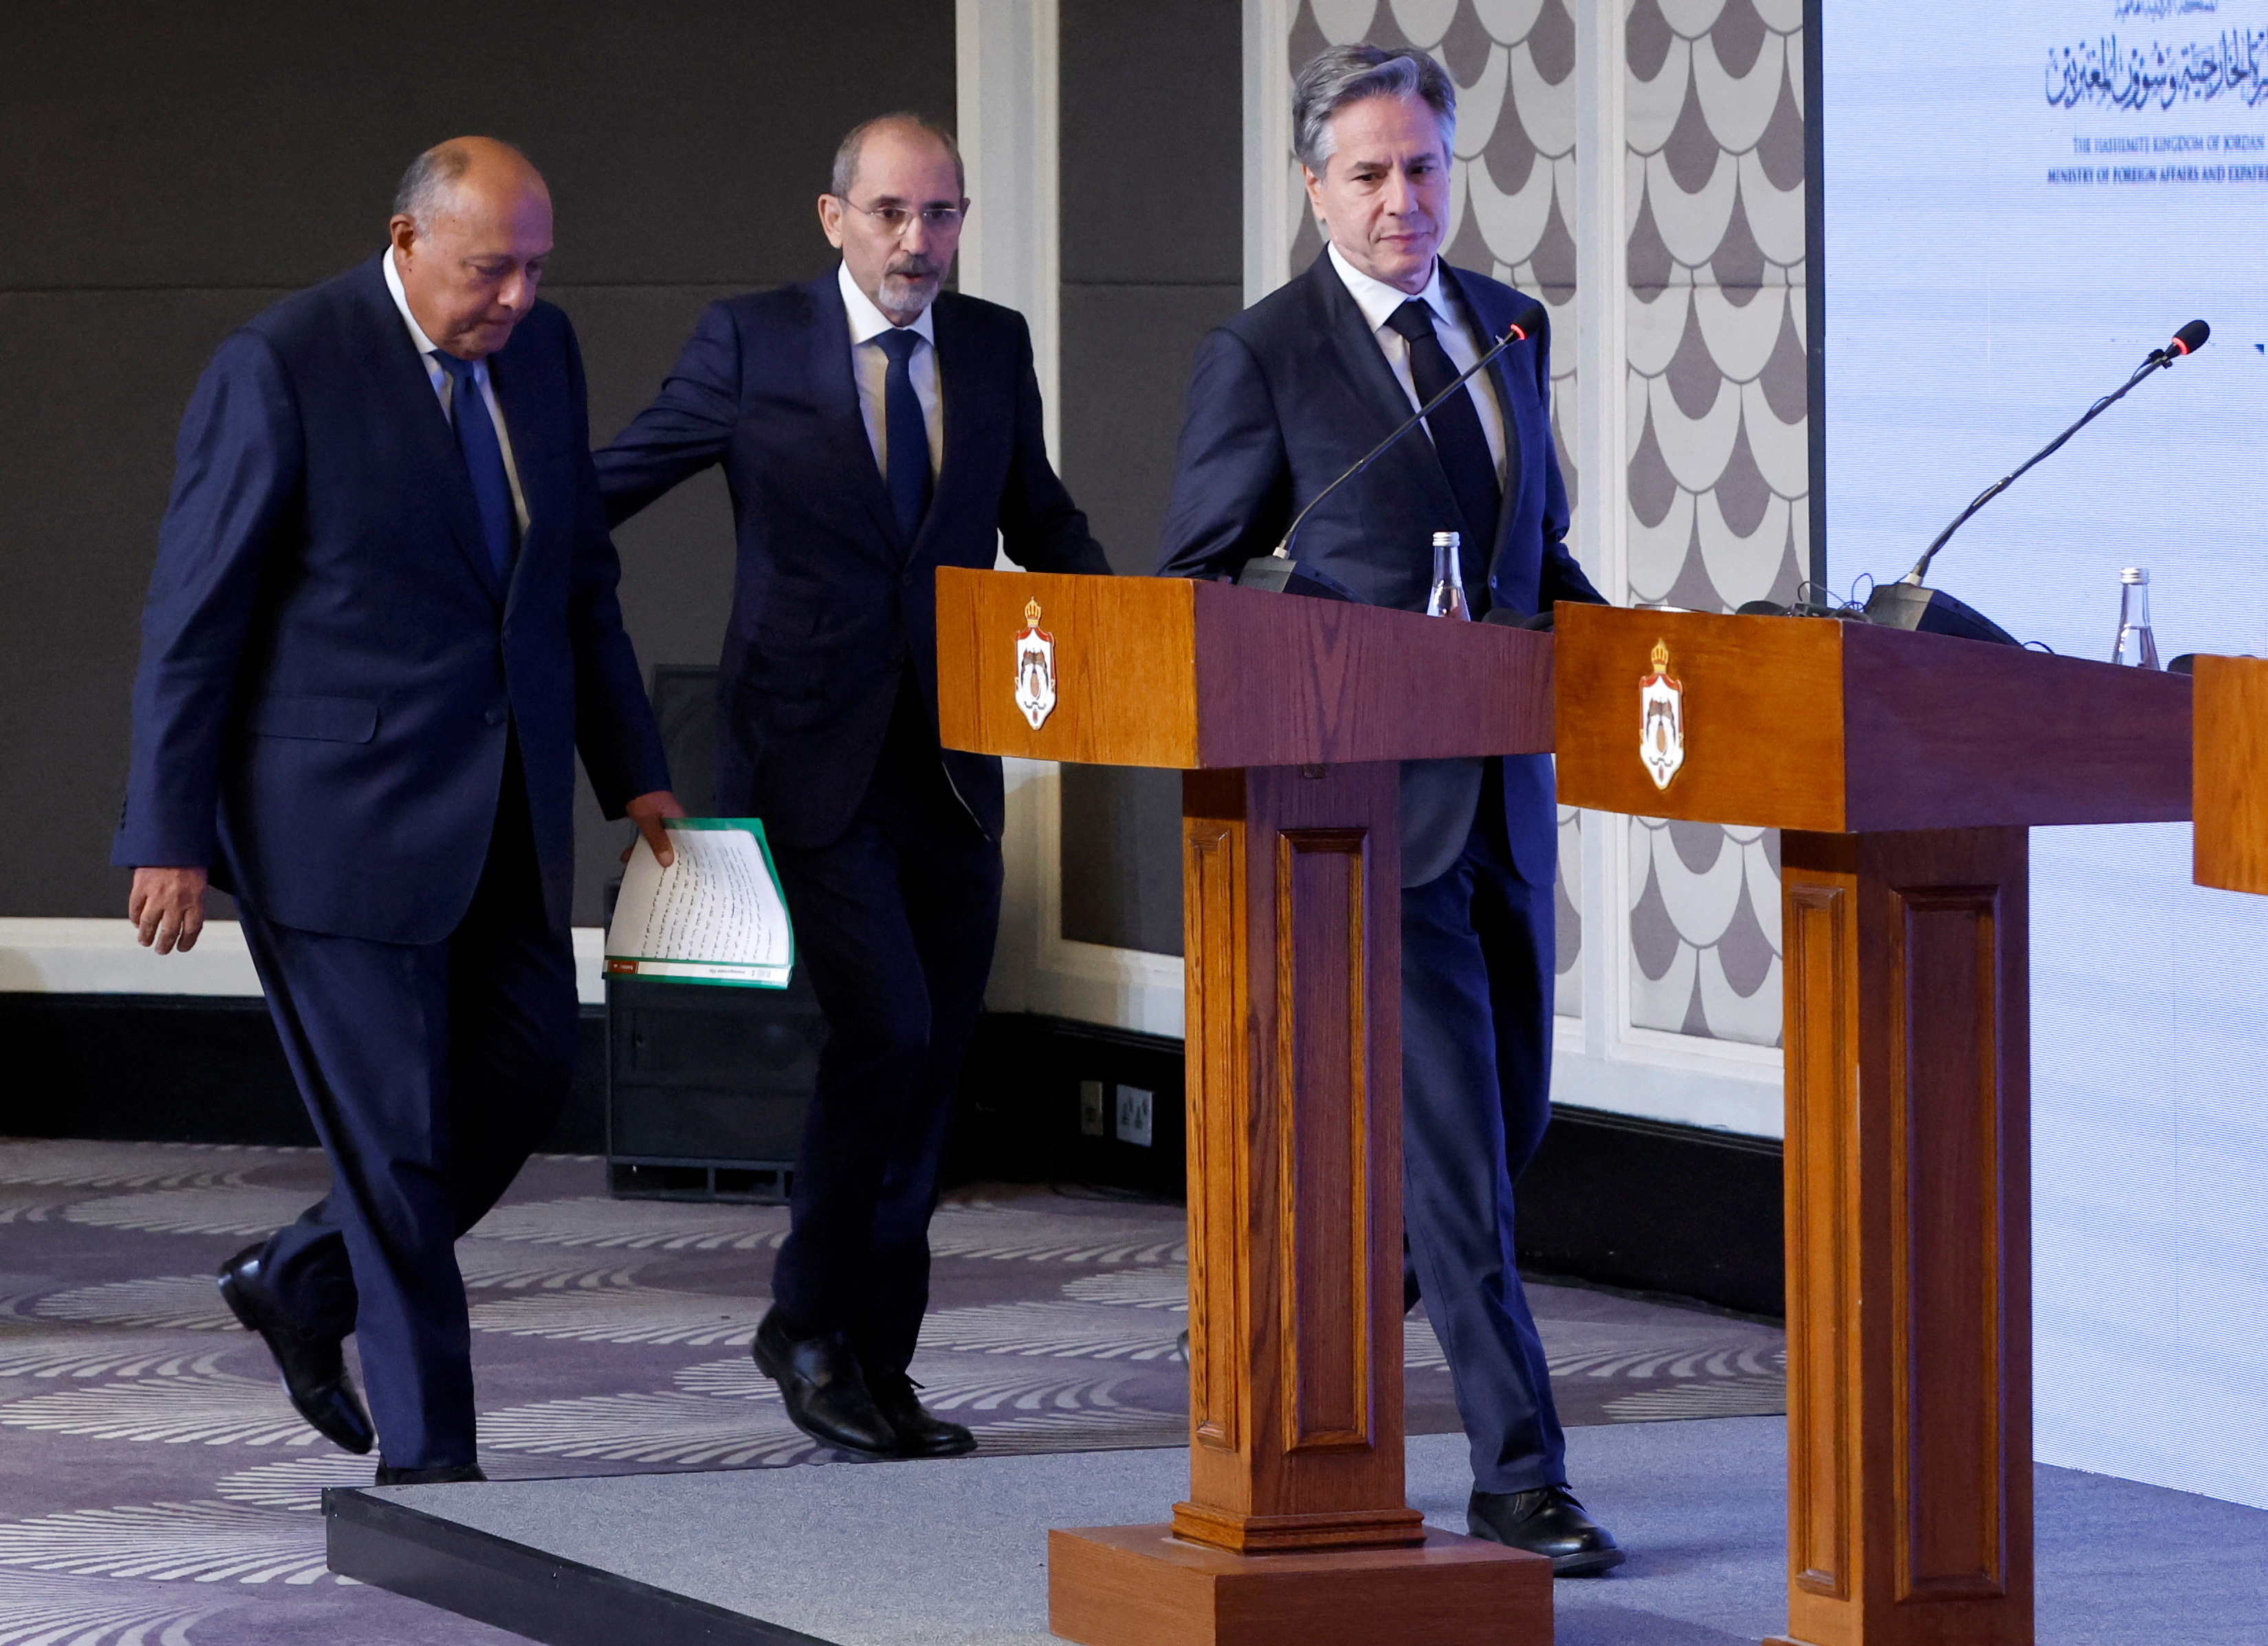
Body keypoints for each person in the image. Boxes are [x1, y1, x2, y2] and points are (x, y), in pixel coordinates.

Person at [115, 138, 681, 1485]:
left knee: (534, 1070)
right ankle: (434, 1470)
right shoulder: (286, 363)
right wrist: (167, 833)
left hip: (501, 811)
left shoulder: (543, 356)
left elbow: (576, 581)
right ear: (408, 239)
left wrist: (635, 765)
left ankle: (304, 1277)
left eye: (538, 268)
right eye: (492, 269)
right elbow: (195, 615)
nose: (518, 299)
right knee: (398, 1140)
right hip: (329, 822)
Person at [1157, 46, 1622, 1574]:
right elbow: (1196, 585)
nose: (1397, 202)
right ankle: (1515, 1470)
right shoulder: (1265, 354)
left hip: (1501, 802)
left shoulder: (1506, 327)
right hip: (1355, 825)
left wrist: (1652, 655)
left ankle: (1294, 1360)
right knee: (1460, 1170)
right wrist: (1315, 668)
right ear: (1312, 189)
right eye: (1364, 175)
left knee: (1513, 1124)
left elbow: (1532, 563)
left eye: (1419, 169)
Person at [595, 113, 1109, 1459]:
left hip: (946, 768)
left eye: (939, 215)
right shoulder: (748, 340)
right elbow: (622, 477)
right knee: (882, 1033)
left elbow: (1036, 516)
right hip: (804, 765)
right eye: (889, 213)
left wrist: (1142, 628)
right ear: (833, 218)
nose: (915, 242)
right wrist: (475, 548)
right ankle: (807, 1325)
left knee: (930, 1065)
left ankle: (874, 1359)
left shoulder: (991, 345)